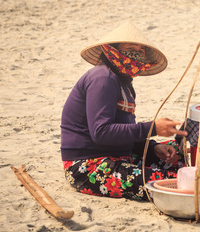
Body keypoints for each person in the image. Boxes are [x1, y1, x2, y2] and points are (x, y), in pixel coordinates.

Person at [61, 21, 187, 200]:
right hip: (89, 165)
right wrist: (153, 129)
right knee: (170, 182)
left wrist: (153, 147)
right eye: (130, 47)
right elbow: (102, 133)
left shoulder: (125, 85)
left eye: (140, 50)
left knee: (179, 155)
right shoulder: (102, 79)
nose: (137, 52)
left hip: (120, 155)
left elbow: (124, 132)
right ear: (114, 50)